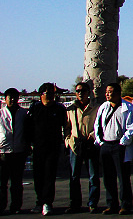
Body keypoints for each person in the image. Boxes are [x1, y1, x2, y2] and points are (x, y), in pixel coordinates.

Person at [94, 83, 133, 215]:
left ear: (118, 93)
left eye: (110, 91)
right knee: (108, 177)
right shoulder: (103, 107)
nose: (107, 94)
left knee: (123, 177)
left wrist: (123, 142)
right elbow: (97, 125)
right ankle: (111, 204)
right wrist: (100, 141)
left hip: (120, 145)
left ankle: (125, 204)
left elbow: (131, 128)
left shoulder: (127, 107)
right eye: (106, 91)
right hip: (106, 144)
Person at [28, 83, 67, 216]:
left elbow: (65, 126)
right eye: (47, 93)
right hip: (38, 147)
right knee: (38, 176)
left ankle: (47, 203)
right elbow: (29, 128)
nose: (50, 96)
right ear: (41, 95)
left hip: (53, 147)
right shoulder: (35, 109)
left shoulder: (59, 109)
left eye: (52, 93)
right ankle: (39, 202)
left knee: (50, 176)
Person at [65, 82, 101, 214]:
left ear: (89, 92)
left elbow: (99, 125)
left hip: (90, 144)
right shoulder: (70, 109)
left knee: (93, 176)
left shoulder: (96, 108)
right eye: (78, 91)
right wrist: (68, 140)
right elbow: (66, 127)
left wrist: (92, 136)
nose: (80, 93)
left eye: (83, 91)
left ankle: (93, 203)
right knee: (74, 176)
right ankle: (75, 203)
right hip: (75, 145)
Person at [0, 88, 29, 215]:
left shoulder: (24, 113)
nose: (12, 99)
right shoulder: (0, 113)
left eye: (14, 97)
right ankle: (1, 206)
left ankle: (16, 206)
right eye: (9, 97)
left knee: (17, 182)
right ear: (5, 99)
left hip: (18, 151)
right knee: (2, 183)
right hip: (3, 152)